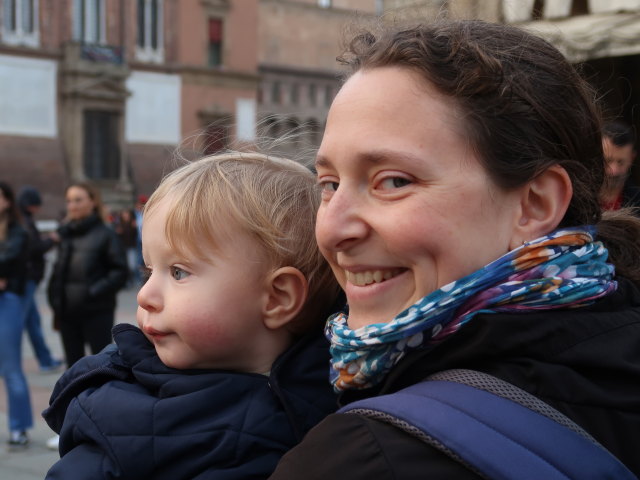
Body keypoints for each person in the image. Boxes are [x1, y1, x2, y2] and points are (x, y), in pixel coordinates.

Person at [269, 20, 640, 479]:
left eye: (393, 181)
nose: (333, 229)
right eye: (328, 184)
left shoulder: (364, 458)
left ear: (533, 204)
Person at [43, 152, 342, 479]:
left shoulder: (337, 411)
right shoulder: (121, 409)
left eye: (178, 273)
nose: (144, 296)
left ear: (277, 297)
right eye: (148, 271)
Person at [47, 181, 128, 368]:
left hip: (96, 312)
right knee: (73, 370)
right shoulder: (66, 234)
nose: (72, 206)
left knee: (101, 367)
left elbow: (120, 272)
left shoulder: (106, 234)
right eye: (69, 201)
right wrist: (55, 297)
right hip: (67, 312)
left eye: (78, 200)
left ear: (93, 202)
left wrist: (93, 292)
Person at [0, 181, 33, 448]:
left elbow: (10, 261)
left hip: (8, 300)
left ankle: (19, 427)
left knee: (11, 367)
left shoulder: (16, 231)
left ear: (8, 201)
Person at [17, 186, 63, 372]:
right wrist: (51, 240)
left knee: (32, 321)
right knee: (21, 322)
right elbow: (33, 248)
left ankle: (45, 359)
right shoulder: (24, 222)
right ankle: (41, 360)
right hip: (25, 279)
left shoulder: (21, 220)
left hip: (26, 279)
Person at [599, 120, 640, 211]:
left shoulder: (637, 202)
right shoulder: (578, 198)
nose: (613, 171)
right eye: (607, 161)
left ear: (631, 158)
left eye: (621, 162)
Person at [113, 208, 139, 288]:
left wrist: (135, 228)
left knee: (132, 265)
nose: (125, 215)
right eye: (124, 214)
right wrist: (118, 232)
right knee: (126, 265)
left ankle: (135, 279)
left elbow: (136, 235)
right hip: (123, 248)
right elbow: (116, 236)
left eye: (127, 213)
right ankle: (128, 281)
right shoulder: (119, 224)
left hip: (131, 247)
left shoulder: (133, 223)